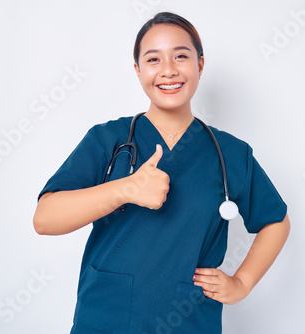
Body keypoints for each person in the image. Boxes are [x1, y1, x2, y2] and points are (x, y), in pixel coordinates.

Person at [33, 11, 290, 334]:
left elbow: (276, 221)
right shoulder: (108, 140)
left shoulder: (231, 154)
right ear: (139, 71)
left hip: (189, 321)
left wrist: (241, 282)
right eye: (153, 60)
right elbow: (45, 218)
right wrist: (124, 189)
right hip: (105, 319)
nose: (168, 70)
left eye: (181, 56)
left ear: (200, 64)